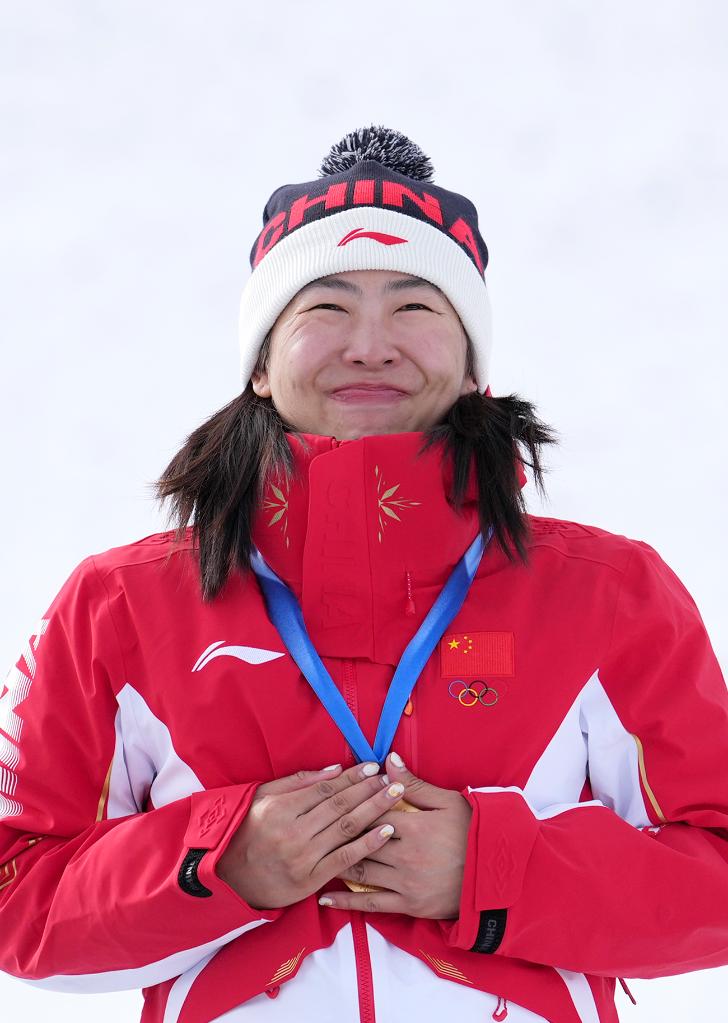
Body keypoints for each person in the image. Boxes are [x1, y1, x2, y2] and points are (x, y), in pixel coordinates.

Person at [1, 125, 727, 1023]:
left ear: (473, 366)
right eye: (326, 307)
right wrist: (215, 864)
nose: (372, 346)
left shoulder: (609, 592)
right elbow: (15, 896)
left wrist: (494, 870)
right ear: (261, 364)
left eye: (417, 307)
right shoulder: (120, 605)